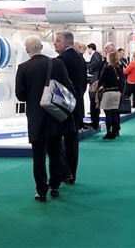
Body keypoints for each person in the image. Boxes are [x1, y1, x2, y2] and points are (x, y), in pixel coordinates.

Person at [15, 36, 75, 202]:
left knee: (38, 156)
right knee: (55, 152)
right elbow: (68, 87)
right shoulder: (57, 63)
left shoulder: (23, 68)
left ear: (27, 50)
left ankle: (41, 191)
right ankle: (55, 186)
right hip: (55, 114)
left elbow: (20, 95)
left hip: (36, 117)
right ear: (41, 47)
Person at [54, 30, 87, 185]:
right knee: (72, 143)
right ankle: (71, 174)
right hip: (77, 106)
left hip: (64, 108)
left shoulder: (61, 60)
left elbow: (57, 86)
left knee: (58, 142)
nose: (55, 43)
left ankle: (64, 173)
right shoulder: (80, 58)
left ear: (68, 42)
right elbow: (83, 83)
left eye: (58, 41)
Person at [99, 51, 124, 139]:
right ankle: (115, 131)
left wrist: (97, 87)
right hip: (117, 93)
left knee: (108, 114)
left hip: (108, 93)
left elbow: (101, 80)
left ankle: (108, 132)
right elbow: (122, 82)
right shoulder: (119, 69)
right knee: (114, 113)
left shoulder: (107, 68)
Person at [86, 43, 104, 129]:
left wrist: (88, 68)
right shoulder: (96, 55)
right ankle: (94, 121)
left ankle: (95, 122)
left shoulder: (96, 55)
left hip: (95, 80)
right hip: (94, 79)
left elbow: (96, 63)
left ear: (90, 48)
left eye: (88, 49)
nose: (87, 51)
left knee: (94, 100)